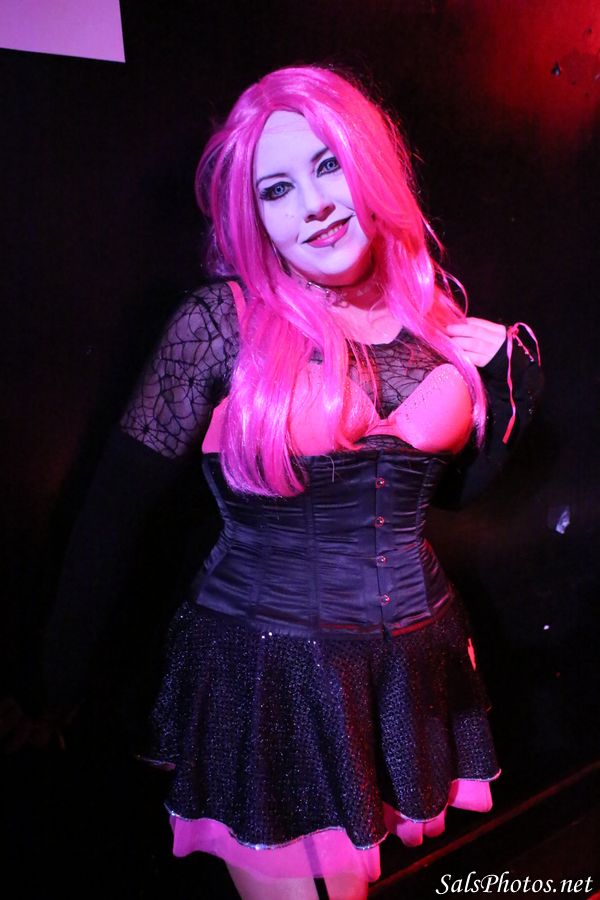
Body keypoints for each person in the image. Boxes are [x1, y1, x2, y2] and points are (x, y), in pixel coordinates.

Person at [11, 65, 542, 899]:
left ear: (371, 167)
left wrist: (507, 391)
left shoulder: (430, 321)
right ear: (251, 214)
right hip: (265, 670)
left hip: (406, 661)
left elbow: (453, 497)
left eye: (329, 166)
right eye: (277, 189)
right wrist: (54, 684)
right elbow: (114, 513)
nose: (315, 205)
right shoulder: (220, 324)